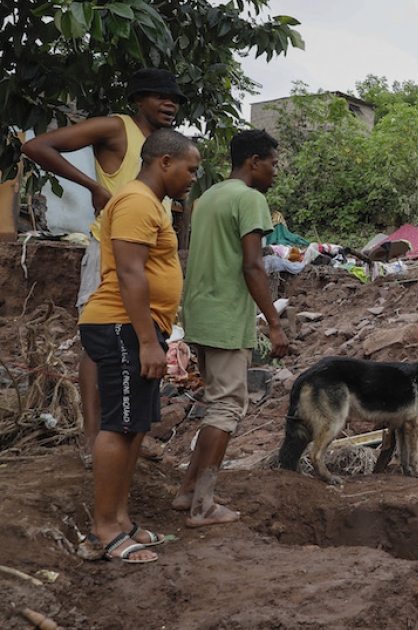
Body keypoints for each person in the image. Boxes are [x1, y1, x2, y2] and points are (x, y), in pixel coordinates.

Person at [20, 68, 186, 465]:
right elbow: (39, 146)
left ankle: (128, 431)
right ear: (137, 99)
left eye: (176, 100)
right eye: (159, 96)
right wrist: (94, 186)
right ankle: (93, 437)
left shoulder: (163, 146)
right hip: (113, 251)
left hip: (145, 251)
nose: (170, 104)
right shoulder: (116, 128)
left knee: (138, 343)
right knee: (101, 345)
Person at [77, 129, 200, 563]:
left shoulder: (152, 204)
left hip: (139, 328)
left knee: (134, 427)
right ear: (164, 162)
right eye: (190, 168)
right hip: (122, 326)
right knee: (120, 424)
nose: (192, 178)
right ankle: (103, 530)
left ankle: (120, 520)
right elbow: (130, 274)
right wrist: (149, 342)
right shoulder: (135, 201)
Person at [171, 130, 289, 527]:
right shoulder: (250, 198)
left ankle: (188, 490)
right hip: (224, 316)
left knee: (215, 405)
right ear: (254, 161)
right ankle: (203, 506)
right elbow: (252, 264)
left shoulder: (208, 198)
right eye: (273, 163)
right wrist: (274, 324)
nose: (276, 172)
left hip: (199, 314)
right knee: (226, 408)